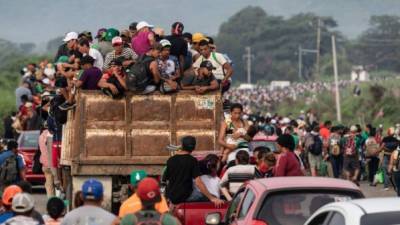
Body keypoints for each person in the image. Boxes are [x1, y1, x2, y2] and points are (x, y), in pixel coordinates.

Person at [163, 136, 224, 206]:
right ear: (193, 148)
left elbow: (166, 181)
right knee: (210, 197)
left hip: (173, 198)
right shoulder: (192, 160)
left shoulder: (171, 160)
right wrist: (212, 198)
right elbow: (198, 182)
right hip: (186, 197)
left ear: (182, 146)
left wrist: (168, 198)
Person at [39, 125, 55, 197]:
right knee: (60, 186)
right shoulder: (51, 134)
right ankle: (63, 203)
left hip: (45, 165)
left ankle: (51, 202)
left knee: (49, 186)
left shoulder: (40, 136)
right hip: (54, 164)